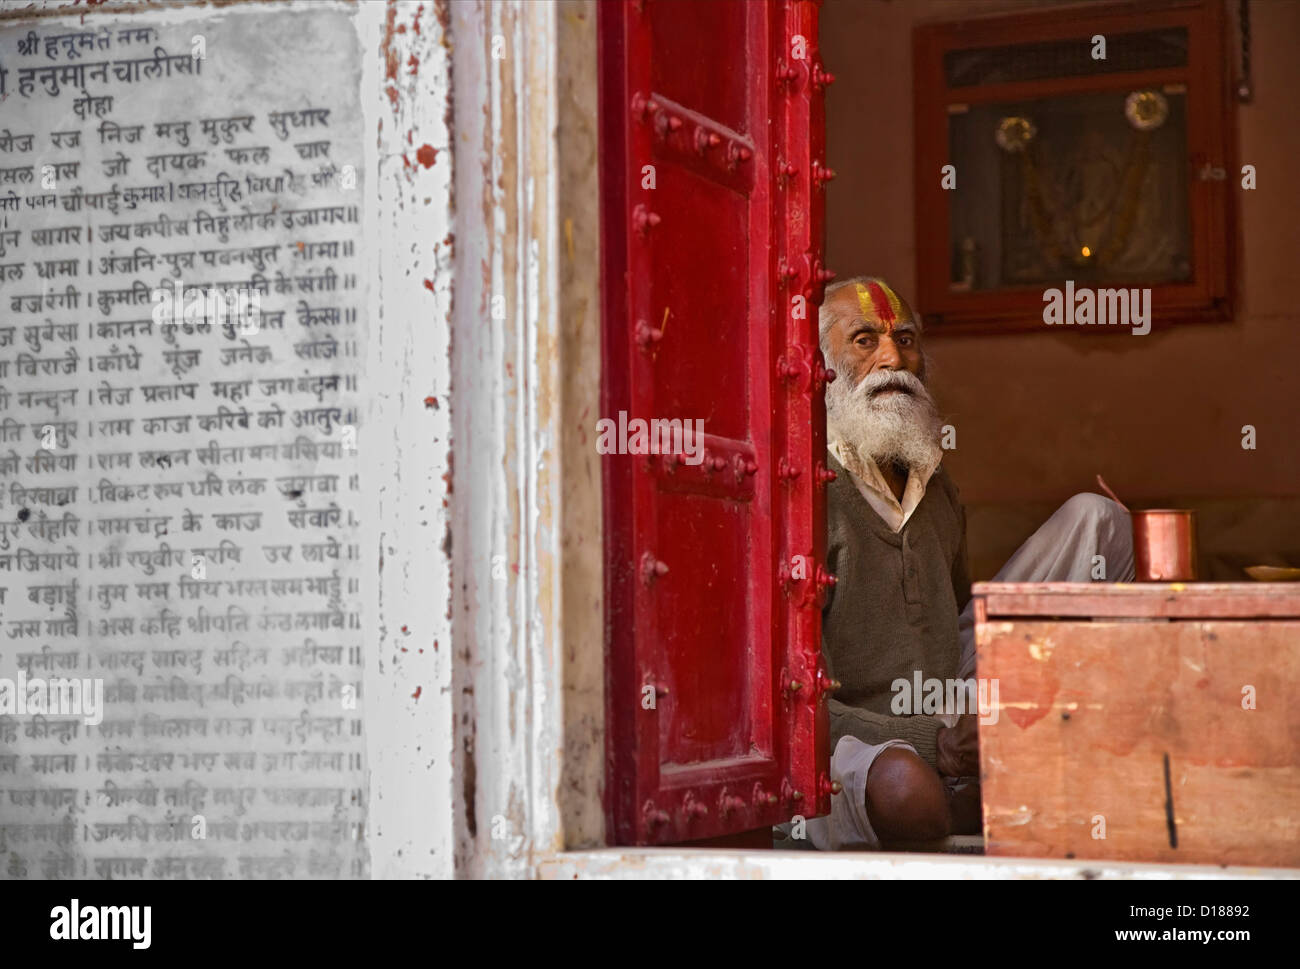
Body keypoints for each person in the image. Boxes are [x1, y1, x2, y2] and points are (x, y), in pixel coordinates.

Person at [791, 276, 1134, 851]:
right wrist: (943, 745)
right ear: (822, 365)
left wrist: (981, 713)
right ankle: (957, 790)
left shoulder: (935, 484)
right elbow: (801, 711)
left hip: (943, 699)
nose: (893, 359)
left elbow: (956, 627)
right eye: (865, 340)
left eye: (905, 340)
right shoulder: (804, 494)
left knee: (1097, 521)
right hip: (859, 742)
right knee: (906, 790)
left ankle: (979, 778)